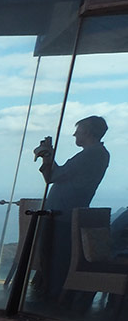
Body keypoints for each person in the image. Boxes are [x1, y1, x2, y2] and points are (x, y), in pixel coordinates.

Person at [34, 115, 110, 301]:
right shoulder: (96, 154)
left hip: (62, 214)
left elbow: (53, 176)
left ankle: (51, 299)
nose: (75, 134)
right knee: (53, 257)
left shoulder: (92, 154)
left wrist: (48, 156)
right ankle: (50, 296)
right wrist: (48, 157)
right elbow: (55, 176)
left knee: (55, 258)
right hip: (62, 213)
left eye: (79, 130)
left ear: (89, 132)